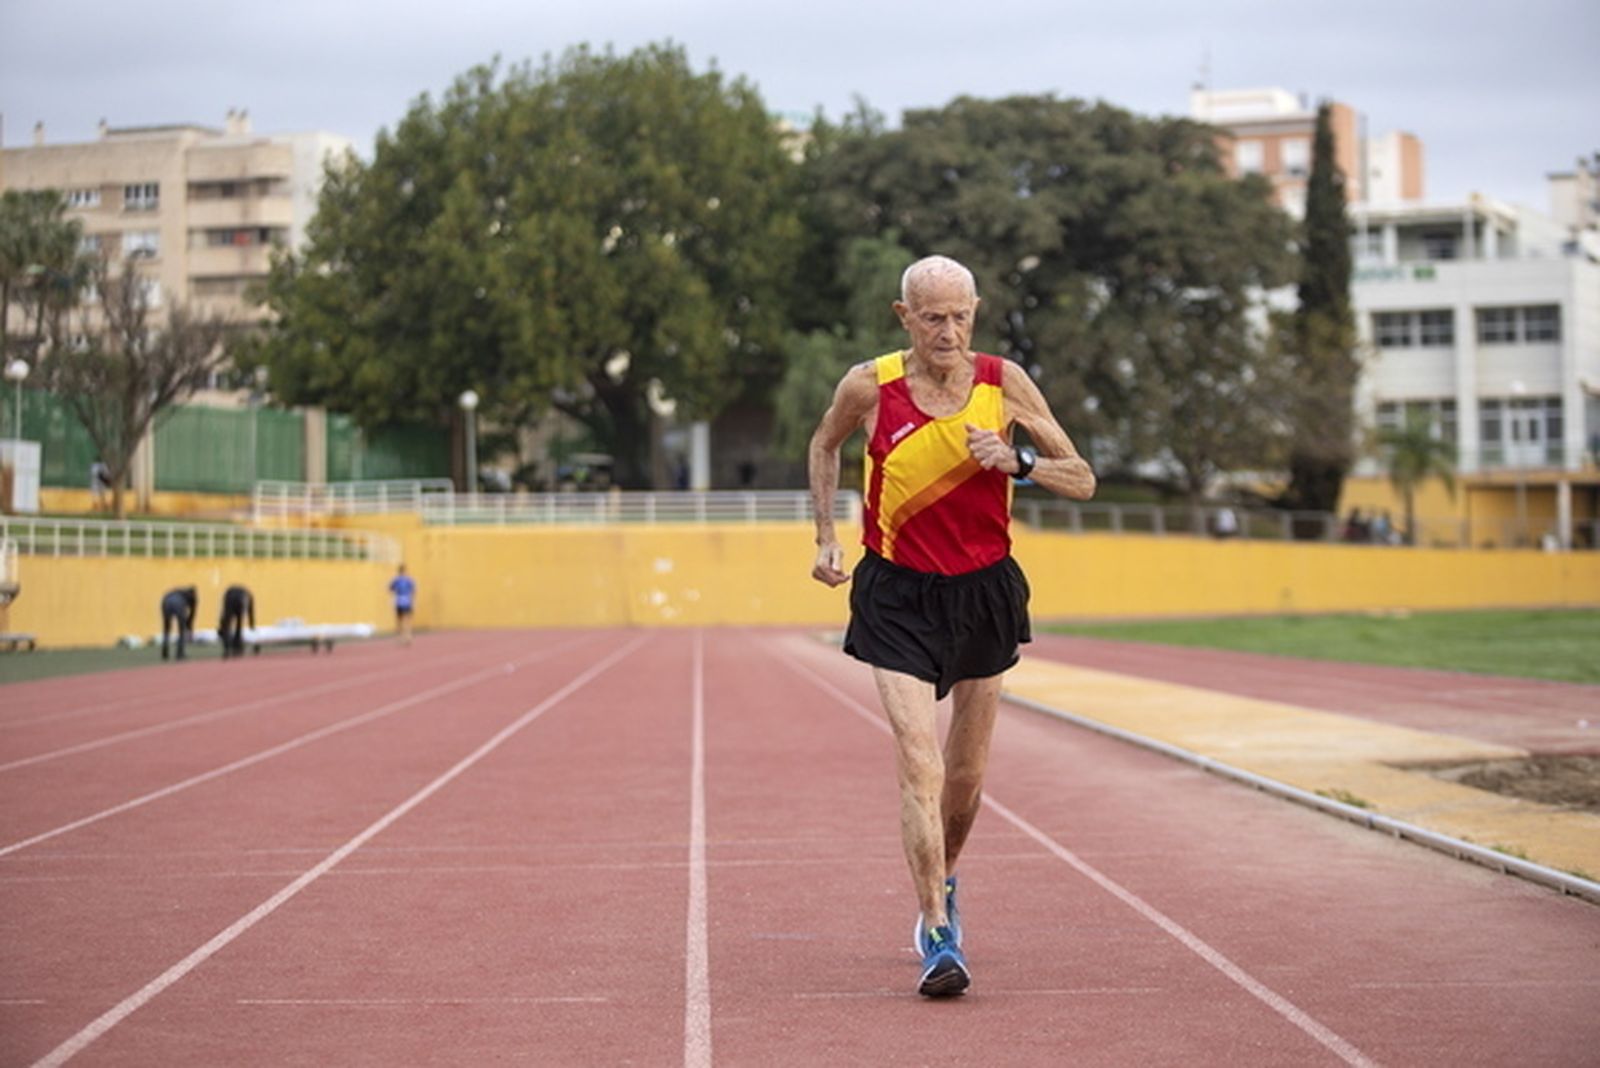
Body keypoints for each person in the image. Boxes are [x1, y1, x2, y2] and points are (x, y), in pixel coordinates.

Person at [807, 255, 1096, 998]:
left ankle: (948, 875)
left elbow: (1082, 477)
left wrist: (1018, 461)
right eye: (932, 316)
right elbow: (823, 443)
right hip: (897, 592)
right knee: (920, 762)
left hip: (984, 593)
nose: (949, 330)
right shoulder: (870, 386)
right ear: (903, 316)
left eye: (961, 315)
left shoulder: (1005, 384)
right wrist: (825, 536)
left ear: (976, 310)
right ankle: (937, 929)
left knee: (964, 780)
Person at [159, 586, 198, 661]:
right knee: (181, 629)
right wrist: (189, 627)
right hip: (178, 603)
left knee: (166, 628)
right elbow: (192, 615)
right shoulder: (192, 598)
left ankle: (165, 652)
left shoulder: (180, 591)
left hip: (166, 600)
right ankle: (180, 653)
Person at [218, 584, 255, 659]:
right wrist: (251, 625)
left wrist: (221, 626)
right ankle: (237, 646)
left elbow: (224, 613)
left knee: (227, 624)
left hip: (230, 597)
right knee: (239, 624)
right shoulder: (249, 595)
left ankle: (227, 648)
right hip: (241, 598)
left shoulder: (229, 592)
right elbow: (250, 611)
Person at [389, 563, 416, 646]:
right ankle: (408, 636)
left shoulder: (396, 580)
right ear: (405, 571)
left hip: (399, 600)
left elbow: (391, 589)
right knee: (407, 620)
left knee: (399, 620)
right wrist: (413, 601)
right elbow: (413, 591)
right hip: (407, 600)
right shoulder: (409, 580)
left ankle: (400, 638)